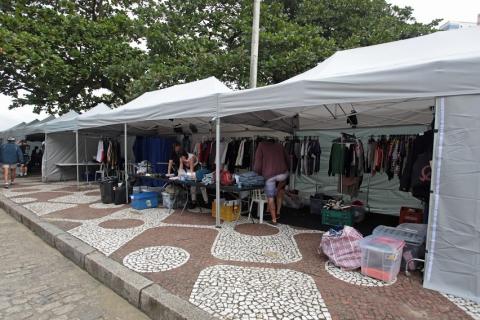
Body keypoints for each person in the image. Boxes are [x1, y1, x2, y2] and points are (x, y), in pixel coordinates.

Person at [254, 139, 290, 225]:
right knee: (281, 186)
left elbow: (258, 163)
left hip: (269, 175)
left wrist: (258, 173)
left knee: (270, 197)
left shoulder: (261, 145)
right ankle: (277, 191)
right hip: (282, 174)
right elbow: (288, 159)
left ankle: (274, 220)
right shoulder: (280, 145)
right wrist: (287, 168)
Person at [167, 142, 208, 208]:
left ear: (185, 155)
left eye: (182, 157)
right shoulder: (181, 158)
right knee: (192, 186)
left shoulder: (191, 158)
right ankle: (193, 201)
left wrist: (188, 176)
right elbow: (180, 167)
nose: (181, 159)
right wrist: (179, 175)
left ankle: (206, 201)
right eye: (180, 158)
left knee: (202, 186)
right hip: (191, 170)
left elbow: (191, 171)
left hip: (198, 169)